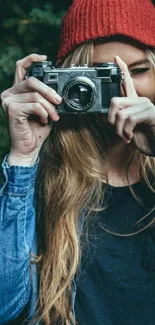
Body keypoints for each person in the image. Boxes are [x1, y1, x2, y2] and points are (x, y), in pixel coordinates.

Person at [0, 0, 155, 324]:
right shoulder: (36, 177)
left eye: (138, 70)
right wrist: (23, 160)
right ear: (64, 80)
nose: (124, 90)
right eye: (101, 75)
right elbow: (4, 307)